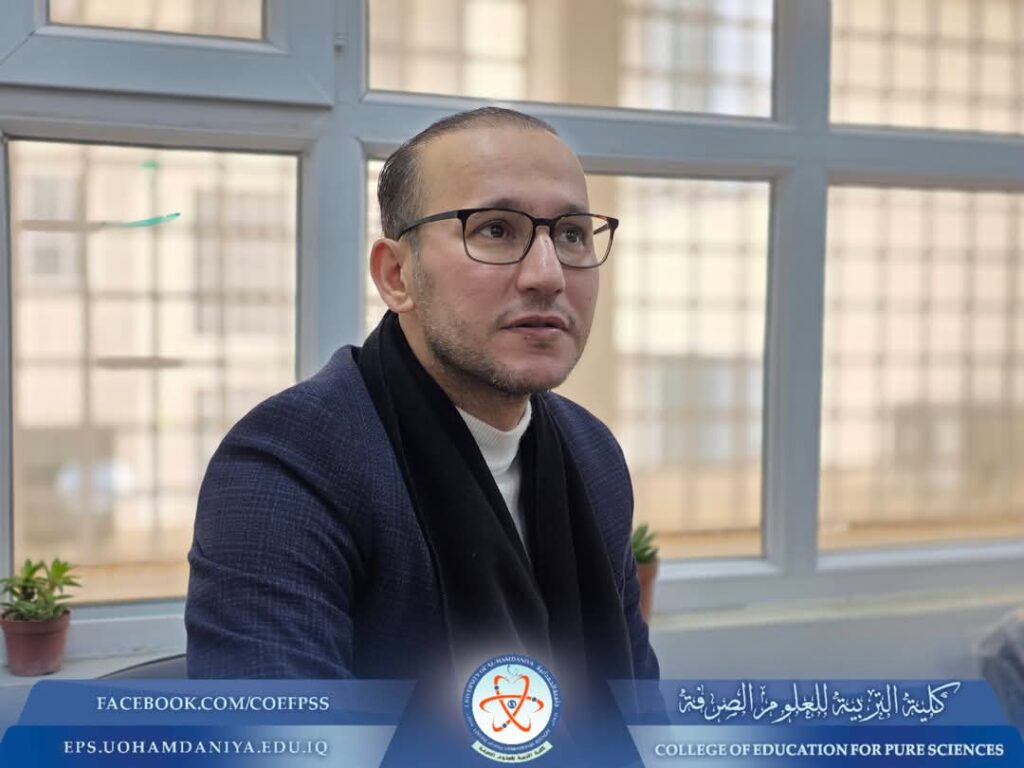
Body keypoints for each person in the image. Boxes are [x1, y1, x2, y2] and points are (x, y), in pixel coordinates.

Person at [185, 107, 659, 697]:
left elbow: (638, 712)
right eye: (495, 229)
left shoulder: (592, 453)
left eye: (571, 234)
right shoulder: (288, 465)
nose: (548, 275)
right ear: (396, 276)